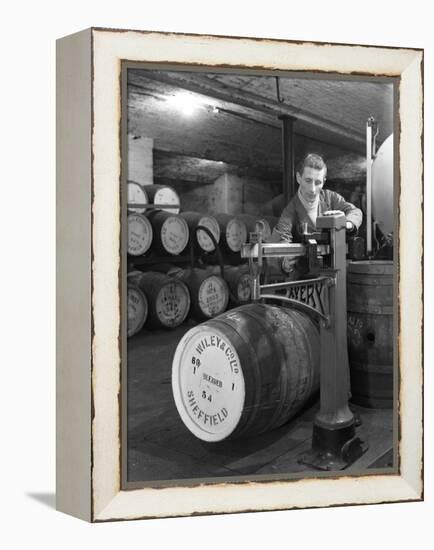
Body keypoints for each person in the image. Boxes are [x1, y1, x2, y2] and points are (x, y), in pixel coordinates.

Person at [271, 153, 363, 244]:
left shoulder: (331, 198)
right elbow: (281, 247)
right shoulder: (289, 212)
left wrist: (346, 224)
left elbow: (355, 212)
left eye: (318, 182)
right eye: (308, 181)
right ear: (299, 178)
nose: (313, 189)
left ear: (323, 182)